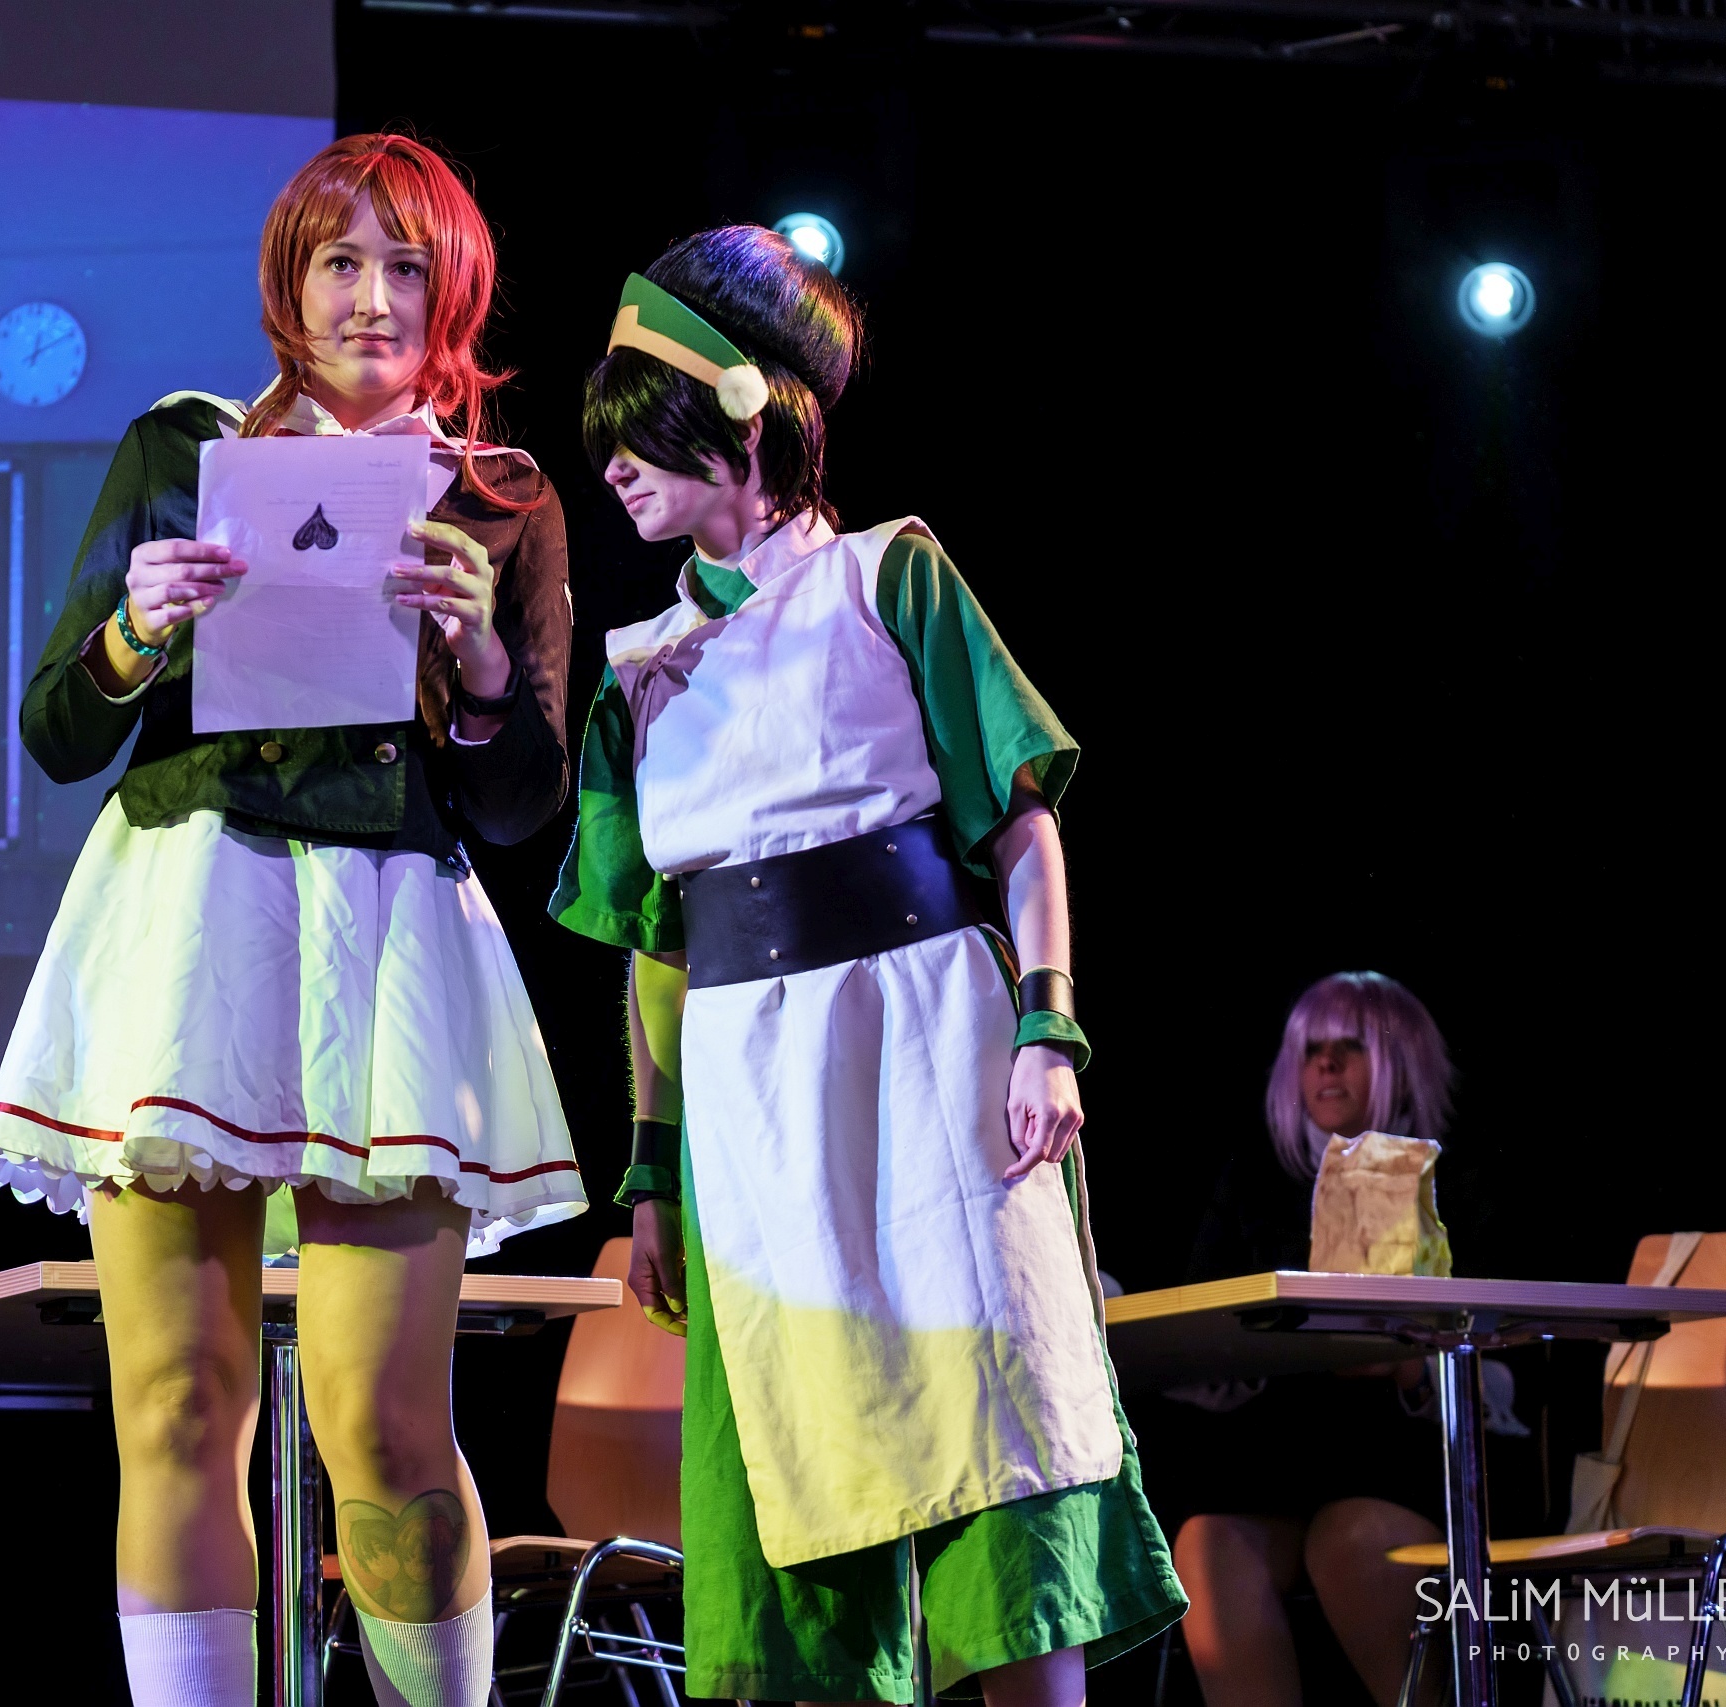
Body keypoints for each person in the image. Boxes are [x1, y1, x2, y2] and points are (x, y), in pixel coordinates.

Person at [0, 133, 582, 1707]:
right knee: (179, 1403)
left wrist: (482, 667)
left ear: (451, 293)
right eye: (340, 262)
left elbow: (529, 805)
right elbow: (53, 727)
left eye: (405, 268)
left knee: (385, 1418)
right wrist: (133, 628)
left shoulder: (499, 496)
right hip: (193, 921)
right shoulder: (184, 446)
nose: (372, 298)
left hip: (391, 936)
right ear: (289, 285)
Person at [551, 227, 1185, 1706]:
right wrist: (651, 1176)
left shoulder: (889, 575)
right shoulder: (640, 667)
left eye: (638, 433)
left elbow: (1022, 822)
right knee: (796, 1449)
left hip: (926, 1040)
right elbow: (656, 944)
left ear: (737, 415)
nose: (614, 471)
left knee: (997, 1426)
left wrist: (1048, 1031)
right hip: (750, 1087)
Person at [1167, 970, 1460, 1707]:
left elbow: (1510, 1344)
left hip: (1407, 1467)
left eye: (1349, 1046)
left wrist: (1409, 1371)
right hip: (1285, 1468)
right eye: (1311, 1048)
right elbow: (1203, 1324)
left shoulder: (1446, 1175)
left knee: (1350, 1540)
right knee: (1204, 1544)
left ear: (1401, 1060)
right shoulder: (1254, 1182)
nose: (1325, 1063)